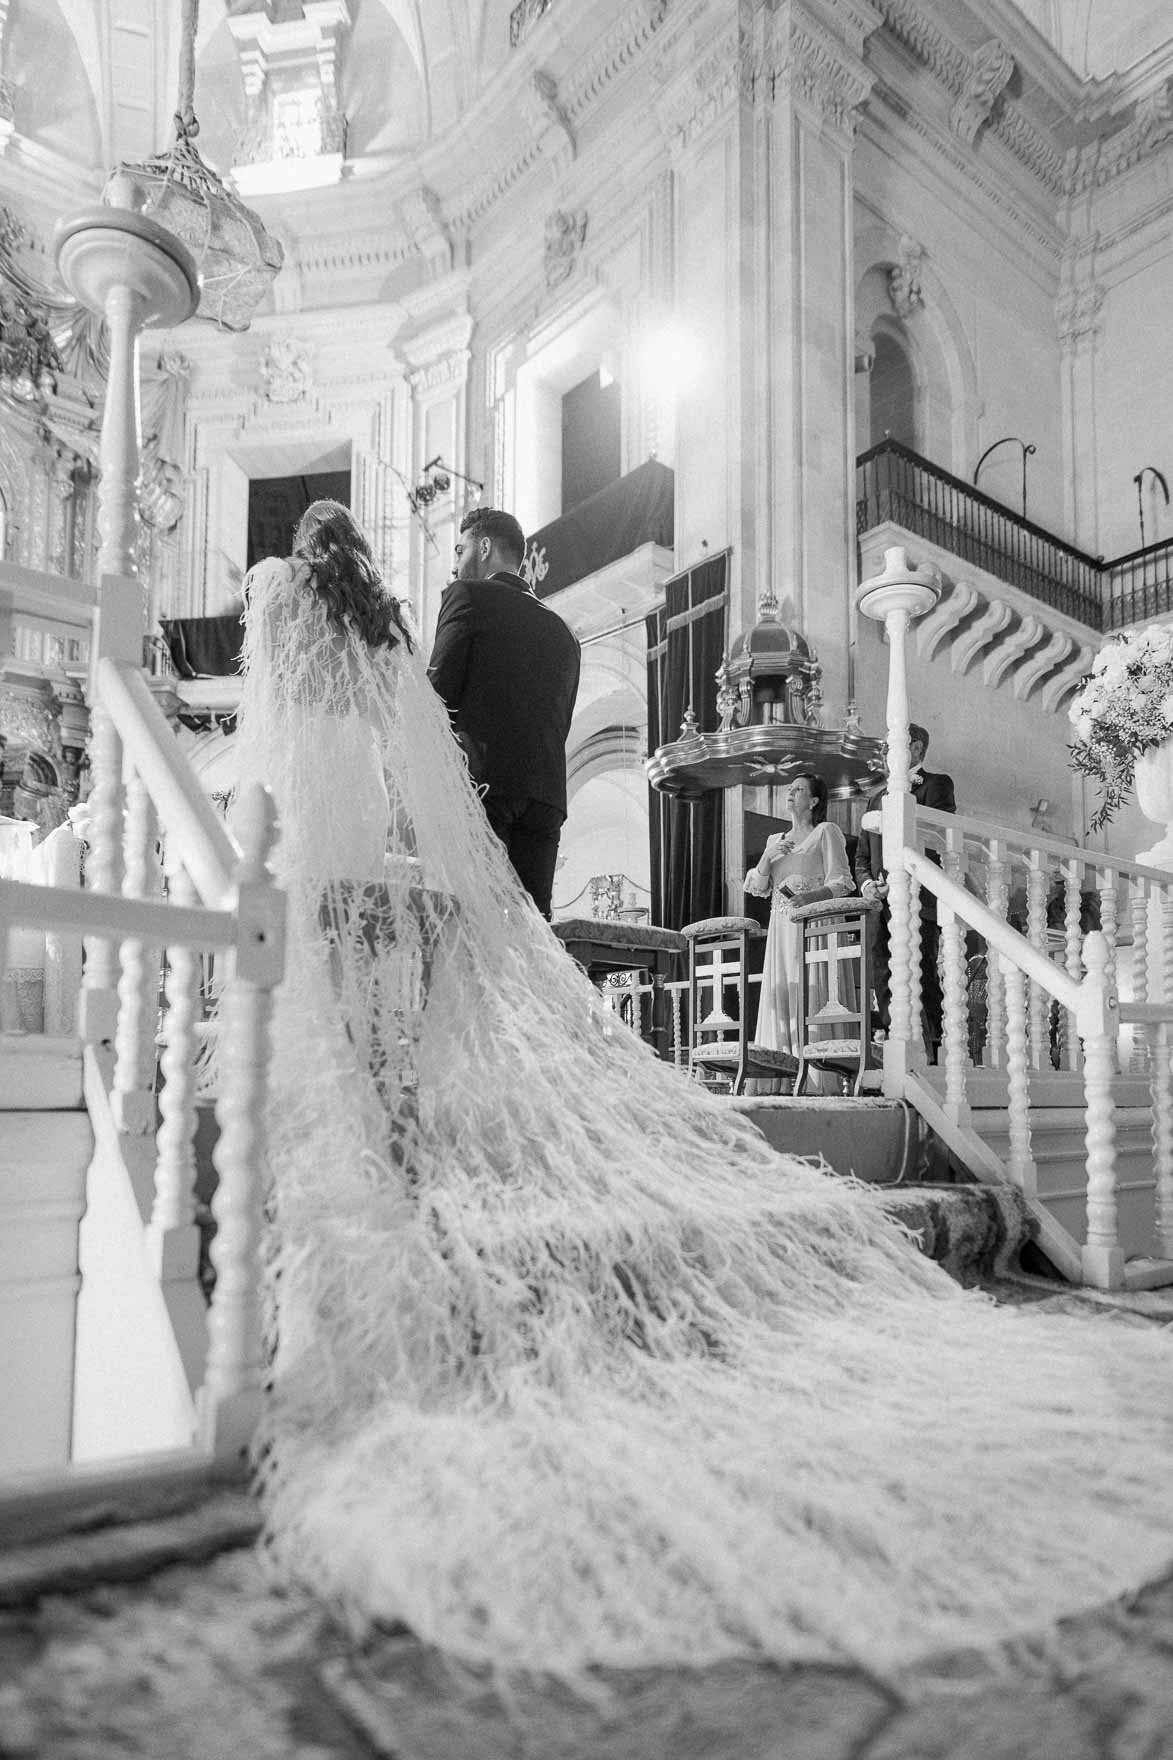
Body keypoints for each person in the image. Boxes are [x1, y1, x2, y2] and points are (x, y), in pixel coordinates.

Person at [232, 516, 1173, 1684]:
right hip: (539, 817)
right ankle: (498, 1106)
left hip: (456, 807)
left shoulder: (468, 608)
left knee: (432, 982)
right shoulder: (565, 639)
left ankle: (437, 1110)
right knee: (500, 980)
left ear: (472, 552)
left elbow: (431, 710)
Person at [427, 505, 581, 919]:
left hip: (484, 789)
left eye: (459, 551)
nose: (456, 564)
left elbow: (437, 698)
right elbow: (561, 721)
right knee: (531, 930)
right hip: (545, 798)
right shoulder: (564, 633)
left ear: (483, 547)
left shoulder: (467, 596)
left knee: (476, 923)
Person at [854, 722, 956, 1059]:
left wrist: (902, 877)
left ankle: (935, 1049)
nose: (885, 753)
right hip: (882, 904)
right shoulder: (874, 800)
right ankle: (895, 1042)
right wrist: (869, 884)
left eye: (892, 745)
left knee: (921, 972)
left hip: (918, 899)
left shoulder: (937, 785)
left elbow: (937, 839)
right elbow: (862, 856)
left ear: (915, 748)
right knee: (883, 973)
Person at [743, 772, 854, 1057]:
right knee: (785, 993)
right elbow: (757, 888)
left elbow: (842, 882)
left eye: (799, 789)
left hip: (817, 923)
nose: (791, 792)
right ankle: (782, 1064)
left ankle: (819, 1066)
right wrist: (767, 857)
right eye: (789, 788)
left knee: (814, 989)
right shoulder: (774, 840)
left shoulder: (826, 831)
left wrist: (810, 897)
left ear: (814, 800)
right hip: (781, 928)